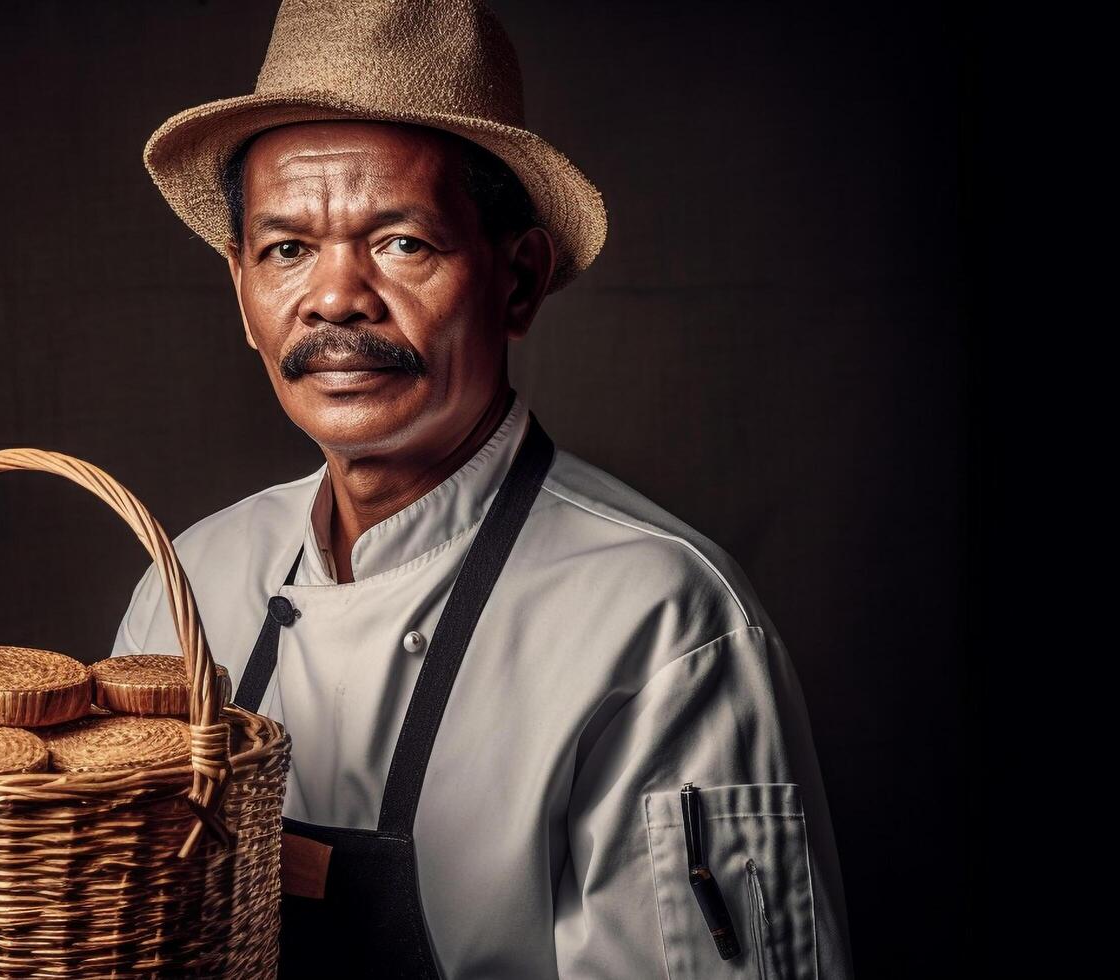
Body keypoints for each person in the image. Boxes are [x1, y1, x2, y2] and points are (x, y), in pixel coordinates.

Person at [111, 1, 855, 977]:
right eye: (287, 248)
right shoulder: (188, 586)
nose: (335, 297)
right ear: (241, 294)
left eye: (400, 242)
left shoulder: (661, 623)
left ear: (516, 279)